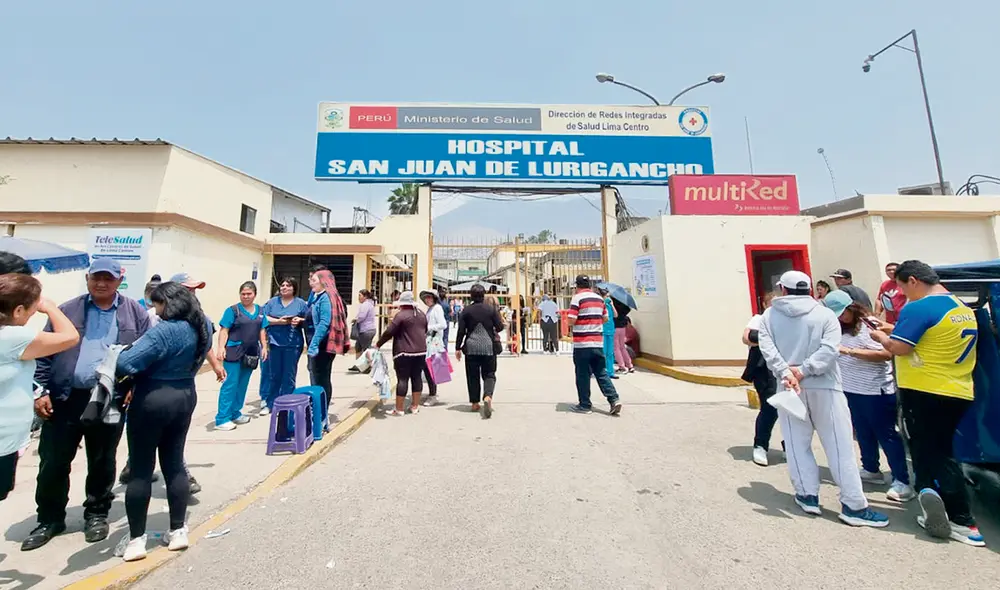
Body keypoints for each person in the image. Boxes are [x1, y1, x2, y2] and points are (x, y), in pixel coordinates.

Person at [23, 259, 152, 551]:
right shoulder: (68, 310)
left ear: (120, 280)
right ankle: (50, 518)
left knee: (102, 460)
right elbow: (44, 351)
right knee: (53, 461)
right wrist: (40, 391)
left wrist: (133, 385)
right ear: (87, 278)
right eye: (96, 278)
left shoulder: (134, 312)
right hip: (65, 398)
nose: (101, 283)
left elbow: (145, 353)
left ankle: (96, 513)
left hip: (109, 397)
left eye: (108, 278)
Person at [757, 270, 888, 527]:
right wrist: (805, 370)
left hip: (788, 387)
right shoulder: (825, 314)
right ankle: (853, 505)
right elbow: (830, 350)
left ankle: (807, 495)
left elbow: (768, 350)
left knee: (796, 442)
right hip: (825, 385)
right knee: (839, 446)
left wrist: (788, 372)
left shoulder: (769, 316)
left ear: (783, 289)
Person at [869, 260, 985, 546]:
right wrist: (892, 326)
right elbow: (931, 335)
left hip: (925, 390)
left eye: (902, 289)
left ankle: (962, 520)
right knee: (935, 449)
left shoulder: (918, 308)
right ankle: (930, 496)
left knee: (937, 454)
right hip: (957, 389)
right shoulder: (960, 308)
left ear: (913, 281)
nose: (903, 296)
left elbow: (900, 347)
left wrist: (881, 336)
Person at [115, 282, 215, 561]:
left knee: (141, 469)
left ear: (167, 304)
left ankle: (136, 539)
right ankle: (178, 530)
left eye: (158, 304)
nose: (156, 311)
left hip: (153, 397)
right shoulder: (201, 327)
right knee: (174, 463)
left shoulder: (163, 331)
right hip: (184, 394)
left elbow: (126, 363)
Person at [824, 290, 914, 502]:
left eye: (842, 313)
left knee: (887, 435)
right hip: (851, 389)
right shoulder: (838, 328)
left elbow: (887, 353)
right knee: (862, 432)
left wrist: (849, 352)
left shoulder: (870, 324)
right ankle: (871, 468)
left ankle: (902, 479)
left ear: (852, 308)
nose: (839, 317)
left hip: (876, 390)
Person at [0, 274, 79, 502]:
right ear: (17, 311)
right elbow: (70, 337)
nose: (33, 315)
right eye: (31, 311)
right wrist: (51, 308)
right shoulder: (13, 336)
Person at [214, 282, 268, 431]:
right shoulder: (233, 310)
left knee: (242, 384)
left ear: (254, 295)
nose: (245, 296)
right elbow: (224, 330)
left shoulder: (260, 311)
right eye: (243, 294)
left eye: (249, 294)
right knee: (230, 383)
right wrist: (220, 348)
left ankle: (235, 412)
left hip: (250, 352)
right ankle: (222, 418)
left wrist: (264, 347)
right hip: (233, 351)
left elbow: (262, 330)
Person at [566, 275, 622, 416]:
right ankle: (614, 399)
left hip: (582, 344)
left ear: (577, 286)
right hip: (597, 342)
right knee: (601, 372)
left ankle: (585, 405)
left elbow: (571, 320)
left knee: (582, 374)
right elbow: (605, 318)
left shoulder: (577, 298)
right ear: (590, 285)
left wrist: (573, 320)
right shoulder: (599, 299)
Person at [741, 291, 781, 467]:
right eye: (772, 303)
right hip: (765, 370)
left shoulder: (788, 321)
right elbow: (746, 337)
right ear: (765, 305)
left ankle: (791, 445)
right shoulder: (759, 319)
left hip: (787, 368)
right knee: (770, 407)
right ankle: (760, 445)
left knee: (790, 410)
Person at [375, 291, 427, 416]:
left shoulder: (401, 315)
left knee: (402, 379)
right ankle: (415, 406)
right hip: (421, 351)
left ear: (402, 304)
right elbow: (425, 329)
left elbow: (389, 332)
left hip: (404, 352)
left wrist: (378, 344)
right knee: (416, 377)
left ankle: (399, 409)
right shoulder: (421, 314)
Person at [455, 284, 503, 418]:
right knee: (489, 374)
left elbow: (461, 331)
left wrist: (458, 347)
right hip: (488, 346)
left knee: (472, 375)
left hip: (471, 347)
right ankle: (488, 396)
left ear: (471, 295)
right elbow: (499, 327)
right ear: (484, 295)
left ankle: (475, 403)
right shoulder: (491, 309)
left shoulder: (466, 310)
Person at [306, 270, 348, 408]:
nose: (311, 283)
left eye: (314, 280)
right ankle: (319, 409)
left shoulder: (325, 298)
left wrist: (314, 344)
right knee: (320, 377)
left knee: (321, 379)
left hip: (323, 345)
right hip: (322, 343)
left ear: (323, 282)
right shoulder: (319, 296)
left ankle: (321, 412)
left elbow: (324, 322)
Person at [262, 277, 308, 402]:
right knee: (274, 374)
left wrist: (299, 320)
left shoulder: (300, 303)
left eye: (288, 285)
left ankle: (287, 402)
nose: (284, 287)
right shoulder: (272, 302)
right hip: (274, 343)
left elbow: (308, 320)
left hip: (293, 344)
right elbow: (262, 317)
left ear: (294, 289)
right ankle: (271, 402)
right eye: (282, 285)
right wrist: (278, 321)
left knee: (289, 375)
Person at [420, 289, 445, 406]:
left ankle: (433, 395)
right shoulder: (430, 309)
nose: (427, 299)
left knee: (431, 369)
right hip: (429, 341)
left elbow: (443, 324)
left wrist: (429, 327)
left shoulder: (437, 308)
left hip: (434, 342)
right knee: (429, 368)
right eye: (426, 298)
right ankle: (432, 392)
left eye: (429, 297)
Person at [351, 289, 377, 361]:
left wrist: (356, 320)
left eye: (360, 295)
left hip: (366, 330)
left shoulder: (365, 305)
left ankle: (370, 364)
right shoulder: (370, 304)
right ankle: (359, 364)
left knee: (366, 349)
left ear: (365, 297)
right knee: (358, 346)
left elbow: (362, 316)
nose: (358, 297)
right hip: (369, 329)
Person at [611, 297, 634, 374]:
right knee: (622, 347)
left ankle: (622, 366)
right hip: (622, 327)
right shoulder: (624, 303)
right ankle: (630, 365)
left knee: (616, 348)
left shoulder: (612, 302)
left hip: (615, 327)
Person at [600, 289, 618, 380]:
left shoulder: (610, 305)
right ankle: (603, 371)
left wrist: (612, 305)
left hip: (611, 330)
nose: (608, 298)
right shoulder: (601, 305)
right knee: (603, 352)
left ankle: (611, 371)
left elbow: (615, 315)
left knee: (610, 352)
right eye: (607, 296)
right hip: (603, 331)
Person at [438, 287, 451, 352]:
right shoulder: (446, 304)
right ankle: (445, 350)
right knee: (445, 337)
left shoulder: (437, 304)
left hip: (439, 322)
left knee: (438, 336)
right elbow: (450, 312)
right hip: (446, 321)